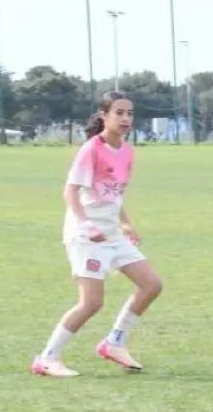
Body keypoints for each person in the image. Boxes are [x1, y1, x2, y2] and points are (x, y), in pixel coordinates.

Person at [31, 91, 164, 377]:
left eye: (130, 113)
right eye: (119, 112)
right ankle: (47, 358)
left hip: (112, 234)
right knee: (91, 303)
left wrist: (126, 223)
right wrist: (86, 224)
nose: (126, 118)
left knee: (151, 284)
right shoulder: (92, 148)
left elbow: (113, 196)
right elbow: (70, 191)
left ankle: (114, 343)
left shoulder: (127, 151)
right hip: (86, 236)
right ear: (104, 115)